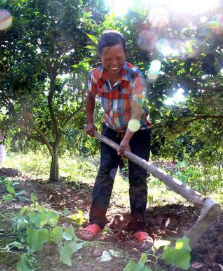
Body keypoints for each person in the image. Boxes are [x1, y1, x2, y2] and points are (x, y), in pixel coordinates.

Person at [79, 30, 153, 248]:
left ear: (125, 55)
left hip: (138, 130)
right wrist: (90, 121)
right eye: (108, 58)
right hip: (110, 128)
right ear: (100, 57)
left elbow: (137, 114)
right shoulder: (94, 76)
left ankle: (138, 227)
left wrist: (127, 139)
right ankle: (96, 223)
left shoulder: (135, 76)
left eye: (119, 58)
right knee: (105, 173)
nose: (114, 63)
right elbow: (91, 97)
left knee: (138, 177)